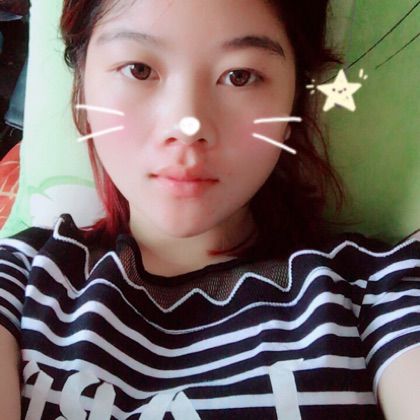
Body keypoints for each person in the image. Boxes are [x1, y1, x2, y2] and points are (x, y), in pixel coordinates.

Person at [0, 0, 419, 418]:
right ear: (82, 83)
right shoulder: (20, 282)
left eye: (240, 76)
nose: (188, 126)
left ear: (293, 99)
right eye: (139, 70)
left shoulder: (379, 291)